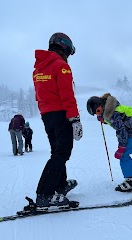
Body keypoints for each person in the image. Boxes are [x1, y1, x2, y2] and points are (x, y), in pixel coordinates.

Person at [32, 32, 83, 208]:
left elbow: (40, 96)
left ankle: (60, 185)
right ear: (64, 47)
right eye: (69, 52)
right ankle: (44, 194)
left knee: (57, 152)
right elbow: (67, 95)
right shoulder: (61, 66)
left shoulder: (38, 69)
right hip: (61, 114)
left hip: (47, 116)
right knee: (62, 153)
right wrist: (75, 119)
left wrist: (47, 115)